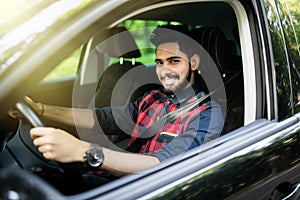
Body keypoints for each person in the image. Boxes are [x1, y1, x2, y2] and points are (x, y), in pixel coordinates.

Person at [9, 26, 224, 179]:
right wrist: (42, 109)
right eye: (159, 62)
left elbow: (161, 165)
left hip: (142, 188)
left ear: (194, 62)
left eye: (174, 61)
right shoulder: (152, 98)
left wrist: (85, 151)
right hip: (112, 176)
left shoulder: (207, 113)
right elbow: (102, 117)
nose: (164, 70)